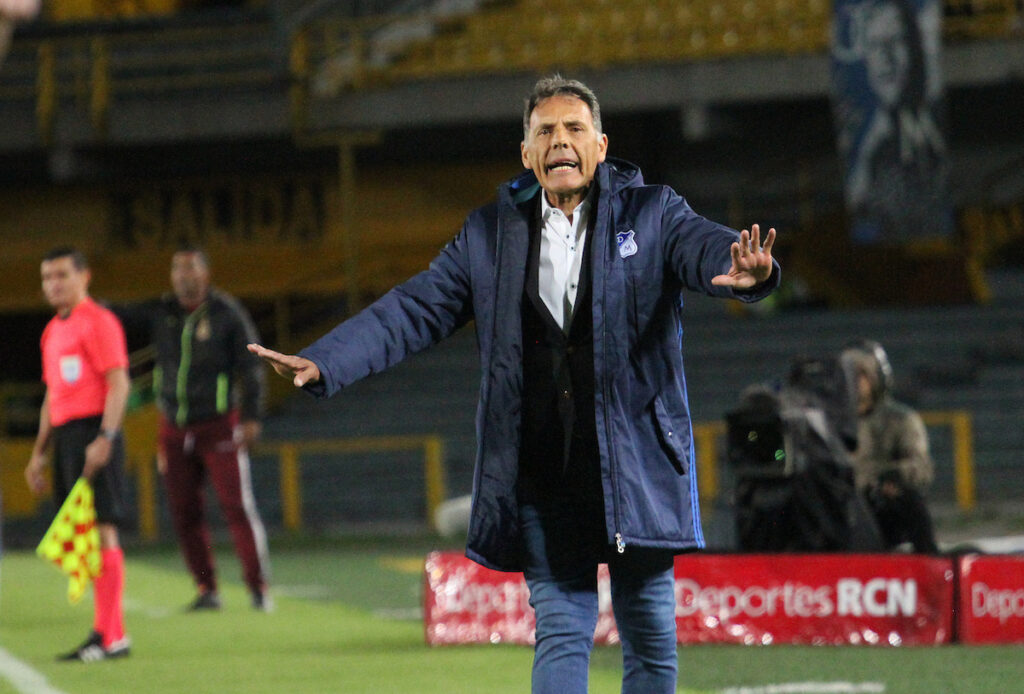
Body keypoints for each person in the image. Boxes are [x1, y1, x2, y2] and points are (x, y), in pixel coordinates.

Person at [249, 75, 780, 694]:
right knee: (561, 626)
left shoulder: (653, 212)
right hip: (541, 469)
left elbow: (703, 247)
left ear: (601, 145)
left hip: (637, 462)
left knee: (650, 633)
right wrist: (326, 360)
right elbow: (414, 309)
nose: (561, 141)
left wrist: (739, 267)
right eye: (545, 131)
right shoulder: (487, 235)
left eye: (574, 129)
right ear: (526, 154)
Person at [138, 245, 271, 611]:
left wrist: (252, 416)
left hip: (219, 426)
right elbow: (120, 317)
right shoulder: (162, 312)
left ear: (206, 274)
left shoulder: (227, 313)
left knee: (237, 506)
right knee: (183, 511)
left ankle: (258, 588)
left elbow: (251, 366)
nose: (183, 275)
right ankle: (206, 589)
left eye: (191, 268)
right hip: (174, 428)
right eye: (177, 269)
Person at [24, 246, 132, 662]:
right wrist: (38, 453)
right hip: (68, 438)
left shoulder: (99, 322)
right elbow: (53, 394)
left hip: (94, 431)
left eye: (62, 275)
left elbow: (119, 384)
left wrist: (106, 437)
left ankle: (109, 636)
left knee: (104, 528)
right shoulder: (52, 331)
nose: (53, 284)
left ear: (84, 277)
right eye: (47, 277)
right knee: (83, 535)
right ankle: (109, 633)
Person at [844, 0, 951, 243]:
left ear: (915, 46)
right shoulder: (870, 141)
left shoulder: (933, 124)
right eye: (875, 45)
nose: (885, 58)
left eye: (894, 42)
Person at [842, 339, 939, 553]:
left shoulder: (900, 419)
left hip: (880, 509)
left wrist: (891, 476)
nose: (854, 382)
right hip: (840, 509)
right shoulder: (830, 422)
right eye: (849, 374)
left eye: (861, 374)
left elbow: (922, 467)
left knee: (910, 500)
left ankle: (931, 566)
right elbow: (784, 454)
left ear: (877, 377)